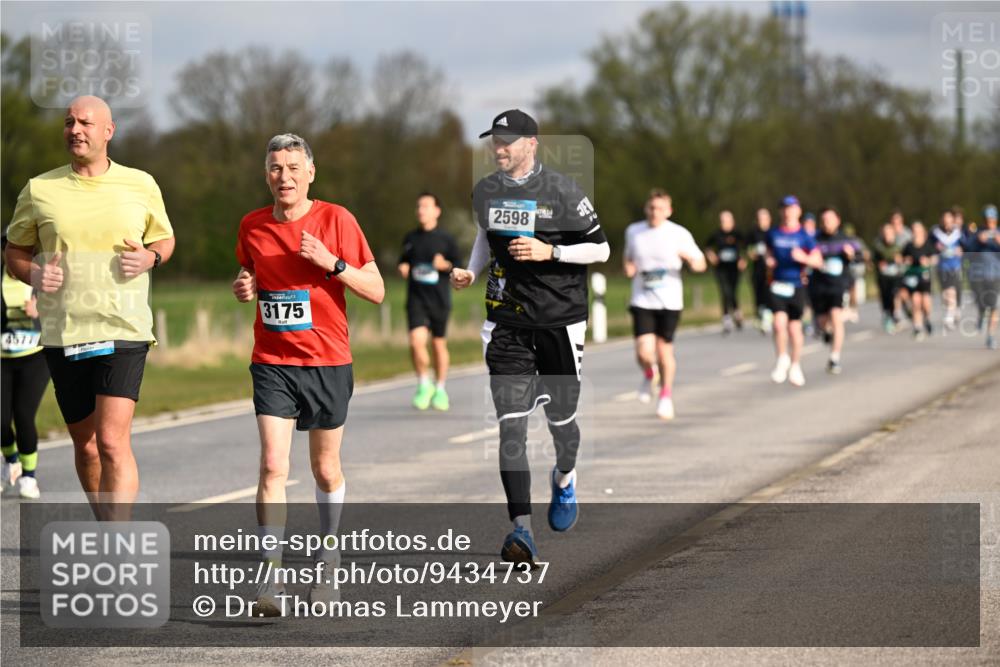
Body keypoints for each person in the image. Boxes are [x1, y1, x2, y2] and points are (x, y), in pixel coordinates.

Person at [232, 133, 384, 615]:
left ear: (310, 173)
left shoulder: (337, 220)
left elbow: (376, 290)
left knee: (324, 468)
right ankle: (270, 578)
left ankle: (329, 554)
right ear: (266, 175)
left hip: (327, 361)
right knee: (274, 465)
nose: (285, 177)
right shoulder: (252, 226)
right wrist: (243, 286)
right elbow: (249, 275)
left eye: (294, 168)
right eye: (276, 168)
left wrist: (332, 262)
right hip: (273, 361)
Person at [450, 109, 609, 567]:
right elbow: (485, 235)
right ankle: (521, 529)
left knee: (562, 420)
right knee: (512, 424)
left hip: (560, 318)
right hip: (506, 322)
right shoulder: (486, 191)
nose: (499, 150)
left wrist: (551, 250)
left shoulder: (562, 190)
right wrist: (471, 269)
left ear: (531, 144)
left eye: (508, 142)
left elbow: (601, 248)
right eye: (494, 143)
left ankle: (564, 476)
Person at [4, 96, 175, 515]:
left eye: (85, 122)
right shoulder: (40, 189)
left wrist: (151, 257)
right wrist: (36, 275)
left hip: (123, 328)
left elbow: (165, 239)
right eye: (69, 122)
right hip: (65, 332)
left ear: (108, 131)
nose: (75, 129)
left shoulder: (141, 183)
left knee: (113, 442)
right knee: (87, 446)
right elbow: (15, 252)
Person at [624, 190, 707, 418]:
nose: (655, 212)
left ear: (669, 211)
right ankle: (650, 374)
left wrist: (691, 260)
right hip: (642, 298)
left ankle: (665, 396)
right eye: (651, 208)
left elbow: (701, 263)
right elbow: (629, 257)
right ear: (645, 209)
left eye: (660, 208)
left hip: (669, 301)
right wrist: (629, 267)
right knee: (643, 352)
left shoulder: (679, 233)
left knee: (663, 352)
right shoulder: (634, 231)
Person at [398, 192, 461, 411]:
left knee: (438, 345)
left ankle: (440, 388)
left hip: (439, 300)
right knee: (416, 342)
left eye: (425, 206)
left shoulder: (446, 239)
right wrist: (403, 267)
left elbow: (458, 266)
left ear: (437, 211)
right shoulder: (410, 238)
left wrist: (445, 265)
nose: (421, 210)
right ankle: (424, 383)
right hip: (416, 299)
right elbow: (403, 261)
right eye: (418, 206)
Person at [2, 235, 49, 498]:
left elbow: (68, 309)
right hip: (2, 359)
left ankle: (28, 478)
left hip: (35, 357)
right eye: (9, 248)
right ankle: (11, 462)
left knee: (22, 415)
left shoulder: (43, 278)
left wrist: (42, 310)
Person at [766, 196, 823, 386]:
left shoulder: (804, 236)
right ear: (780, 211)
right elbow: (768, 252)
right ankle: (782, 358)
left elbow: (818, 261)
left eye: (792, 208)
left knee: (794, 328)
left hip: (797, 285)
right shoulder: (773, 233)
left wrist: (803, 258)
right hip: (778, 283)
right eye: (784, 208)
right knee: (778, 323)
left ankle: (796, 365)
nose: (788, 212)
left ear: (798, 211)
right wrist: (768, 261)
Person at [810, 208, 858, 374]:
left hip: (838, 285)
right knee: (823, 322)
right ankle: (826, 331)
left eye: (830, 219)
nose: (826, 223)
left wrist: (851, 255)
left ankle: (834, 359)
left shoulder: (846, 239)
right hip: (819, 285)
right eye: (823, 220)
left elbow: (860, 255)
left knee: (836, 317)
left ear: (837, 220)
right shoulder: (815, 239)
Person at [705, 210, 745, 334]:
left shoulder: (737, 234)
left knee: (733, 292)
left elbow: (747, 247)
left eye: (727, 221)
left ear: (732, 221)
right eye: (722, 221)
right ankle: (726, 319)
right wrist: (712, 257)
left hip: (734, 268)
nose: (724, 223)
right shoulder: (717, 234)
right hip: (721, 269)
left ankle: (737, 312)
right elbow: (707, 246)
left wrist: (743, 260)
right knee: (724, 292)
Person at [965, 204, 999, 349]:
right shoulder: (977, 233)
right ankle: (980, 315)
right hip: (977, 274)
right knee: (980, 302)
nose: (989, 223)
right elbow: (967, 249)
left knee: (993, 306)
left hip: (995, 274)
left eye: (992, 220)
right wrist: (979, 240)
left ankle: (990, 336)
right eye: (987, 220)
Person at [900, 222, 937, 341]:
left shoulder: (928, 244)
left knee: (925, 302)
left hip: (924, 275)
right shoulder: (908, 246)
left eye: (918, 230)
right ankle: (918, 327)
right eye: (914, 231)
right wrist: (906, 261)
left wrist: (928, 261)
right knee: (915, 302)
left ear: (922, 231)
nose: (916, 233)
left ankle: (927, 318)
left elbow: (935, 258)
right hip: (912, 276)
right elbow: (902, 258)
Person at [931, 209, 964, 331]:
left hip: (955, 266)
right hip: (942, 267)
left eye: (949, 219)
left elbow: (968, 245)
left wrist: (961, 250)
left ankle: (950, 316)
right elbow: (929, 247)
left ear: (952, 220)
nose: (946, 222)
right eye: (944, 219)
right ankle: (951, 312)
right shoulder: (935, 233)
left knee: (953, 291)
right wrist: (934, 251)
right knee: (946, 293)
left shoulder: (958, 233)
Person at [873, 223, 904, 334]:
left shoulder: (899, 246)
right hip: (883, 277)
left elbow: (906, 259)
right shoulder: (878, 247)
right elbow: (874, 261)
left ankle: (897, 314)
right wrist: (879, 264)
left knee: (896, 293)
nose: (887, 235)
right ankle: (888, 316)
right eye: (885, 233)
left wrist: (900, 260)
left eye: (889, 233)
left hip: (896, 276)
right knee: (886, 298)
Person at [748, 208, 774, 334]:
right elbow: (748, 251)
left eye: (764, 218)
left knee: (769, 293)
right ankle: (760, 315)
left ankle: (767, 319)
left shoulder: (774, 233)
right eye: (759, 219)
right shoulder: (753, 234)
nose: (761, 221)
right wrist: (752, 253)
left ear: (769, 219)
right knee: (758, 294)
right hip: (758, 269)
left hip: (771, 271)